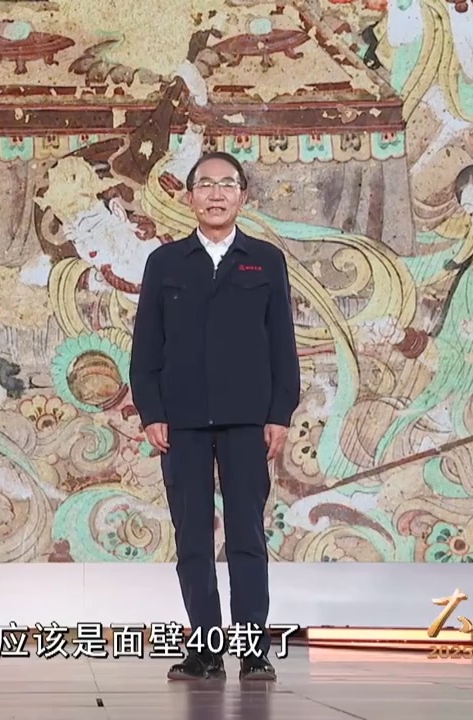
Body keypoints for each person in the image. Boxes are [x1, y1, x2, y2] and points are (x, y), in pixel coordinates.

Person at [129, 151, 301, 682]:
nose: (216, 193)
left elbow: (282, 344)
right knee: (193, 540)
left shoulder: (264, 261)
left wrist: (279, 413)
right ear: (189, 197)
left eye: (227, 184)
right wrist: (152, 411)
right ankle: (204, 652)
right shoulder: (165, 263)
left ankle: (252, 650)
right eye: (205, 184)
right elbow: (146, 346)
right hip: (181, 422)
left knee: (247, 536)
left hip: (248, 421)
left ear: (243, 196)